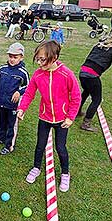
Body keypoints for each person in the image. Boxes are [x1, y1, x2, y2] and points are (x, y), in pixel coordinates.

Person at [17, 40, 81, 191]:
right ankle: (36, 168)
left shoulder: (66, 74)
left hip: (62, 120)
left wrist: (70, 117)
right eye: (38, 59)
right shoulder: (38, 75)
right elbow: (29, 93)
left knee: (60, 147)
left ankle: (65, 174)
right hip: (44, 118)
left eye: (43, 59)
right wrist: (22, 108)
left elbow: (76, 96)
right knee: (40, 145)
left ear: (55, 57)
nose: (39, 63)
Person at [78, 27, 112, 132]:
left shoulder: (101, 43)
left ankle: (77, 112)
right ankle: (86, 123)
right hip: (92, 75)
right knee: (97, 100)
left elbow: (90, 56)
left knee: (86, 92)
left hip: (83, 72)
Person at [0, 42, 29, 155]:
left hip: (13, 105)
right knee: (2, 121)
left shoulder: (23, 73)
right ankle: (0, 137)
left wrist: (19, 91)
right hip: (1, 102)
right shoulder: (2, 69)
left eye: (15, 57)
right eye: (10, 56)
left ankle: (9, 145)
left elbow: (28, 86)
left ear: (21, 57)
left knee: (11, 124)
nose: (12, 59)